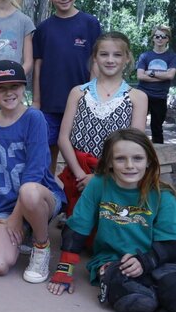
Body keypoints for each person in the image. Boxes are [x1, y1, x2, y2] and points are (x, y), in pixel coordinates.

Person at [48, 129, 176, 312]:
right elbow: (76, 229)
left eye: (138, 158)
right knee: (131, 299)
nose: (130, 165)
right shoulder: (98, 184)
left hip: (156, 260)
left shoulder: (162, 194)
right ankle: (158, 297)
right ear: (109, 162)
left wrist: (146, 261)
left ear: (149, 160)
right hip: (114, 261)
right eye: (120, 159)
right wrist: (64, 269)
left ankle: (164, 291)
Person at [0, 60, 66, 283]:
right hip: (9, 203)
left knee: (28, 190)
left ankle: (41, 246)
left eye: (15, 86)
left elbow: (35, 172)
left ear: (23, 88)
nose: (9, 93)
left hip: (41, 196)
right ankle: (25, 232)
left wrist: (15, 219)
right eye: (1, 88)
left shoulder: (34, 118)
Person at [58, 32, 148, 215]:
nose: (110, 60)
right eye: (104, 54)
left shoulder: (137, 97)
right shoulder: (78, 93)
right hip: (78, 174)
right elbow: (63, 138)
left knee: (107, 234)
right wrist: (80, 175)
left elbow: (136, 146)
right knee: (76, 235)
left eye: (117, 55)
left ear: (127, 58)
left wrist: (100, 177)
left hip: (115, 175)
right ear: (95, 58)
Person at [32, 0, 101, 171]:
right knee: (46, 158)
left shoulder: (90, 24)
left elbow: (96, 62)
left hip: (81, 105)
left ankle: (78, 201)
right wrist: (36, 101)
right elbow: (38, 65)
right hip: (49, 106)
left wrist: (93, 96)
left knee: (80, 159)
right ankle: (49, 199)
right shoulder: (44, 28)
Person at [136, 25, 176, 144]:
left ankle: (158, 159)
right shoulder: (145, 56)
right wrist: (162, 76)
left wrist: (152, 73)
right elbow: (140, 76)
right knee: (137, 127)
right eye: (157, 36)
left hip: (160, 96)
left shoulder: (172, 56)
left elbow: (170, 76)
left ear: (168, 39)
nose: (160, 39)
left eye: (164, 37)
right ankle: (136, 152)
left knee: (157, 129)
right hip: (143, 95)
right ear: (153, 38)